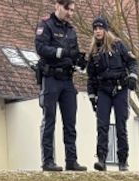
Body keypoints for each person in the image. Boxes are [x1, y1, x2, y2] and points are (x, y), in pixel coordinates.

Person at [35, 0, 86, 171]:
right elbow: (41, 48)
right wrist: (61, 53)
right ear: (57, 5)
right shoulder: (46, 25)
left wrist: (79, 61)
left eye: (72, 10)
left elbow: (74, 52)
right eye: (67, 9)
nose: (70, 13)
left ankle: (71, 160)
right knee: (49, 120)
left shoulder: (71, 30)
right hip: (51, 78)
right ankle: (48, 161)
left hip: (67, 80)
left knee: (70, 123)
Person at [85, 16, 137, 172]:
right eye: (95, 29)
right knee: (102, 126)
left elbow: (133, 62)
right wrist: (92, 96)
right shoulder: (93, 52)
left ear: (105, 30)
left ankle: (123, 161)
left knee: (121, 126)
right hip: (103, 91)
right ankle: (101, 159)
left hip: (120, 89)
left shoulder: (118, 45)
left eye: (100, 28)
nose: (98, 31)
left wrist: (133, 76)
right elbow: (91, 77)